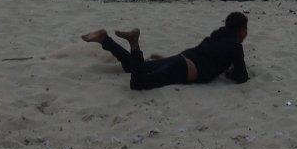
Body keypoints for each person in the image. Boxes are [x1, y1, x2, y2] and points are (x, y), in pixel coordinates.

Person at [83, 13, 250, 91]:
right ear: (241, 30)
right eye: (246, 30)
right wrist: (230, 73)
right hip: (184, 69)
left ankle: (105, 39)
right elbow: (242, 78)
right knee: (138, 83)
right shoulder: (235, 45)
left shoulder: (217, 36)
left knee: (135, 67)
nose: (246, 34)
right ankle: (134, 43)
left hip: (180, 58)